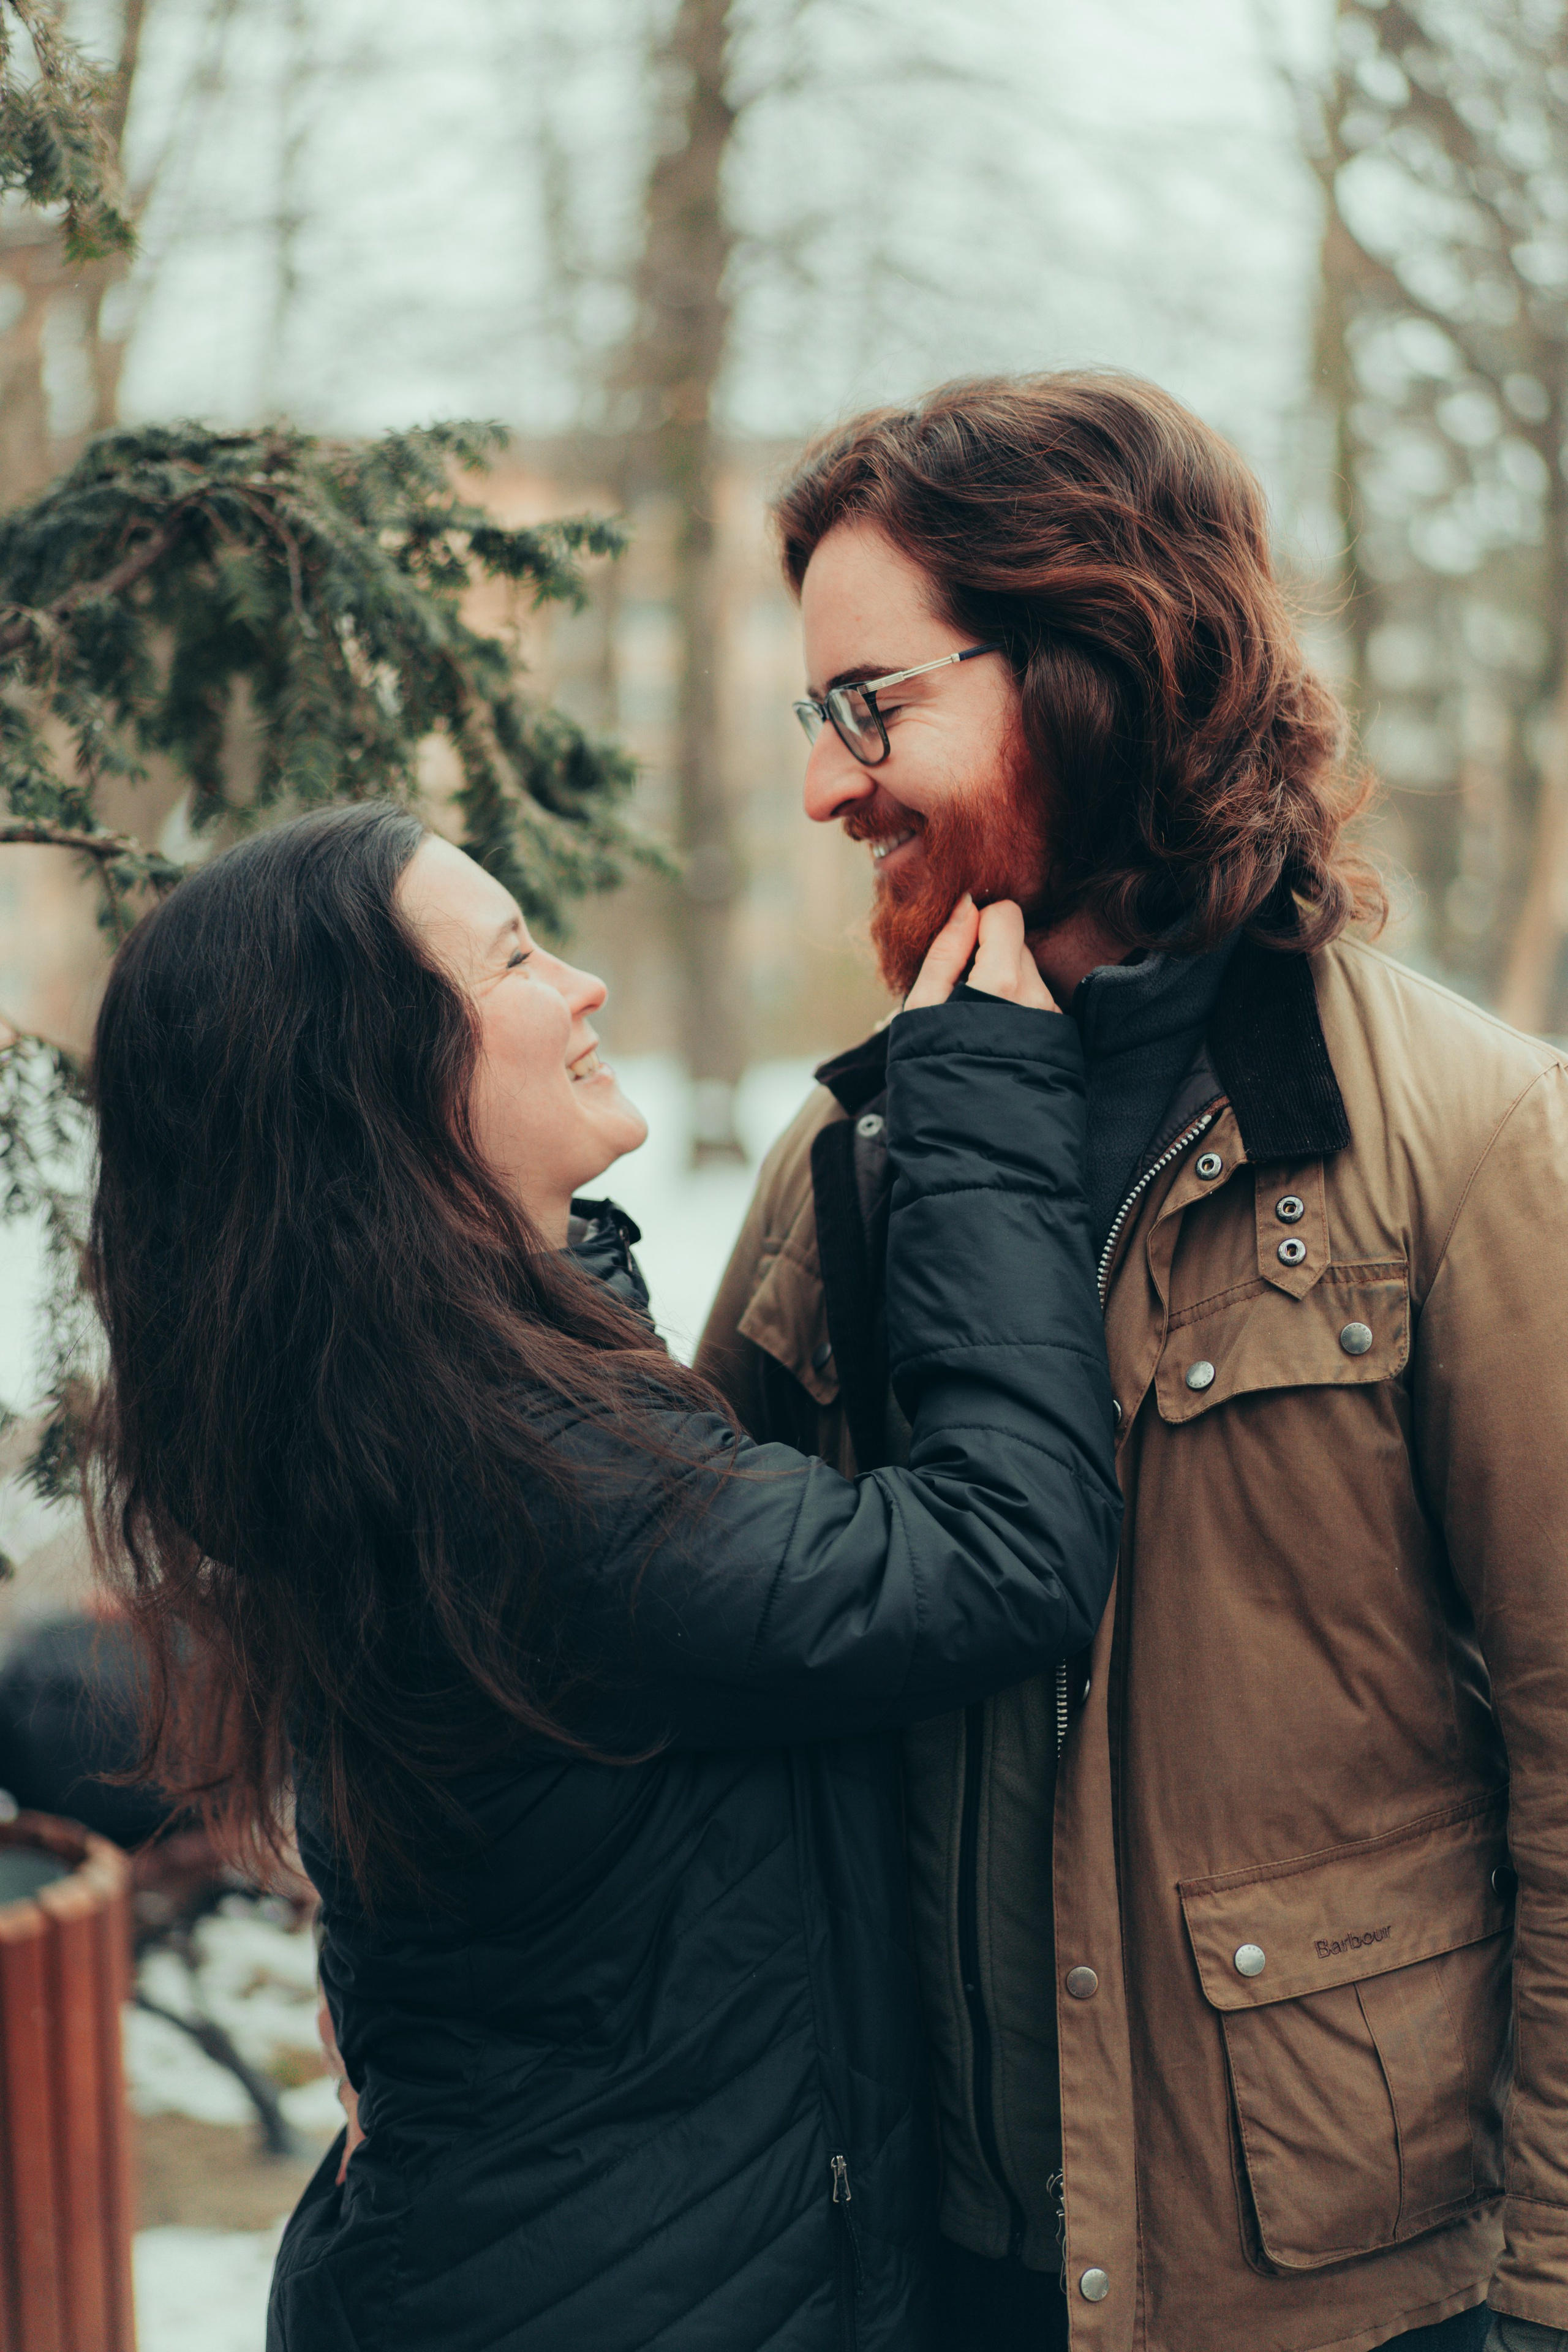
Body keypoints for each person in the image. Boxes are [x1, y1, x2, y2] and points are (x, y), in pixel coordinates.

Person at [697, 372, 1568, 2352]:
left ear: (1099, 673)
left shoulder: (1474, 1137)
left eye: (871, 706)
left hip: (1354, 2301)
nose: (828, 788)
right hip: (924, 2275)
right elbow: (661, 1625)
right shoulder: (843, 1158)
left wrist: (1546, 2300)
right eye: (818, 715)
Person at [83, 802, 1123, 2352]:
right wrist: (981, 1116)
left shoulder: (391, 1402)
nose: (583, 984)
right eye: (513, 958)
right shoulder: (513, 1469)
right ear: (377, 1080)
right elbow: (1002, 1553)